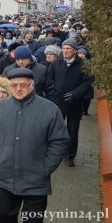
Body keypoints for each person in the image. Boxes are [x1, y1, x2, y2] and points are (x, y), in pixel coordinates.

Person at [0, 68, 69, 223]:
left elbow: (60, 141)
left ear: (32, 85)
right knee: (3, 217)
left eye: (23, 85)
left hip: (36, 181)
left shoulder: (50, 110)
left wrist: (46, 168)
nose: (18, 89)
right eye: (13, 85)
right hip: (4, 178)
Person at [46, 39, 93, 167]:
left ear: (75, 50)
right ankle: (55, 153)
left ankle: (70, 156)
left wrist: (76, 94)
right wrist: (53, 97)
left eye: (69, 48)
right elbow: (49, 81)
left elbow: (88, 82)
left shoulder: (83, 64)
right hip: (57, 103)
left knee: (72, 131)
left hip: (74, 103)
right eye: (64, 48)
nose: (65, 51)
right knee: (55, 130)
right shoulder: (56, 63)